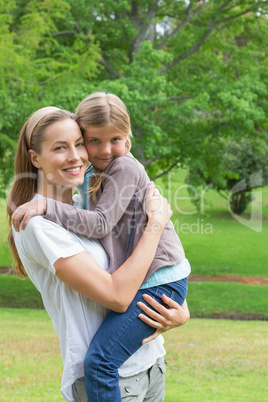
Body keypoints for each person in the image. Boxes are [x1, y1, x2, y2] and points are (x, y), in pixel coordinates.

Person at [12, 93, 191, 402]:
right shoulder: (38, 224)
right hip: (113, 381)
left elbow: (126, 251)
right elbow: (119, 297)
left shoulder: (83, 203)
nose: (78, 156)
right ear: (34, 158)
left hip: (149, 366)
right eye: (60, 147)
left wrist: (180, 312)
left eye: (79, 144)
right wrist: (155, 225)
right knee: (100, 362)